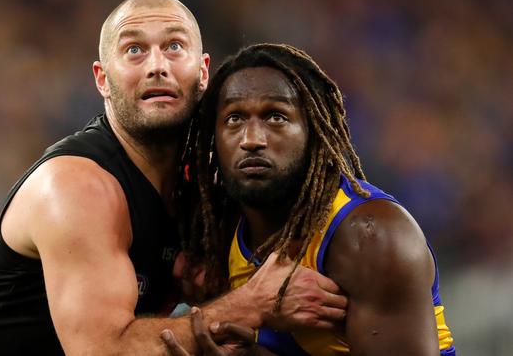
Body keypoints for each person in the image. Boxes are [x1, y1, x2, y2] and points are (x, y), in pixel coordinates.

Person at [0, 0, 348, 356]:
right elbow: (105, 351)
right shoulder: (77, 187)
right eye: (134, 50)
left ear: (202, 73)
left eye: (175, 46)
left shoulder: (207, 180)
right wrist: (251, 305)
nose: (156, 65)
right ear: (103, 80)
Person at [161, 44, 456, 355]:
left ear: (313, 131)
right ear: (213, 137)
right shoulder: (220, 229)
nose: (251, 140)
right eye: (234, 119)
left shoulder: (372, 236)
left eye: (275, 117)